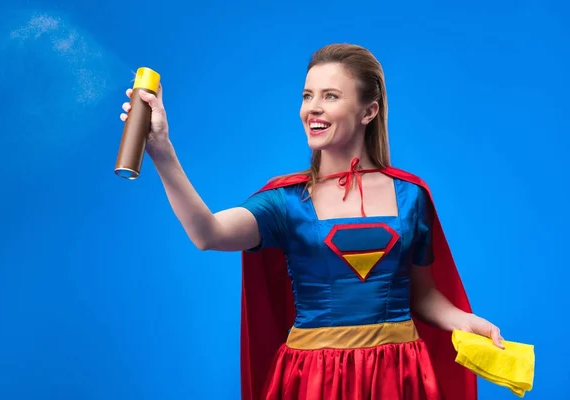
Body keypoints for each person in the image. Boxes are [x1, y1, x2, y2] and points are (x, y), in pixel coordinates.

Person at [120, 43, 503, 400]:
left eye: (330, 96)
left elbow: (422, 294)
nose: (312, 108)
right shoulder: (286, 201)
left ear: (369, 111)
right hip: (315, 377)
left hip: (397, 374)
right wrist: (162, 150)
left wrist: (463, 320)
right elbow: (208, 233)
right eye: (307, 96)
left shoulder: (411, 195)